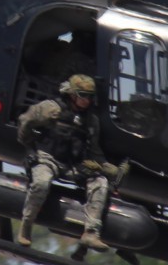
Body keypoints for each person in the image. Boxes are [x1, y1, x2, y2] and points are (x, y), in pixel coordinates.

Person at [16, 74, 121, 251]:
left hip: (74, 165)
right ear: (72, 95)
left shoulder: (91, 121)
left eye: (89, 96)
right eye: (82, 95)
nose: (87, 100)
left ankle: (91, 233)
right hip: (49, 158)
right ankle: (26, 225)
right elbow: (25, 121)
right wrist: (30, 148)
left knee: (100, 184)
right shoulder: (51, 109)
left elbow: (94, 150)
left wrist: (106, 170)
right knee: (41, 183)